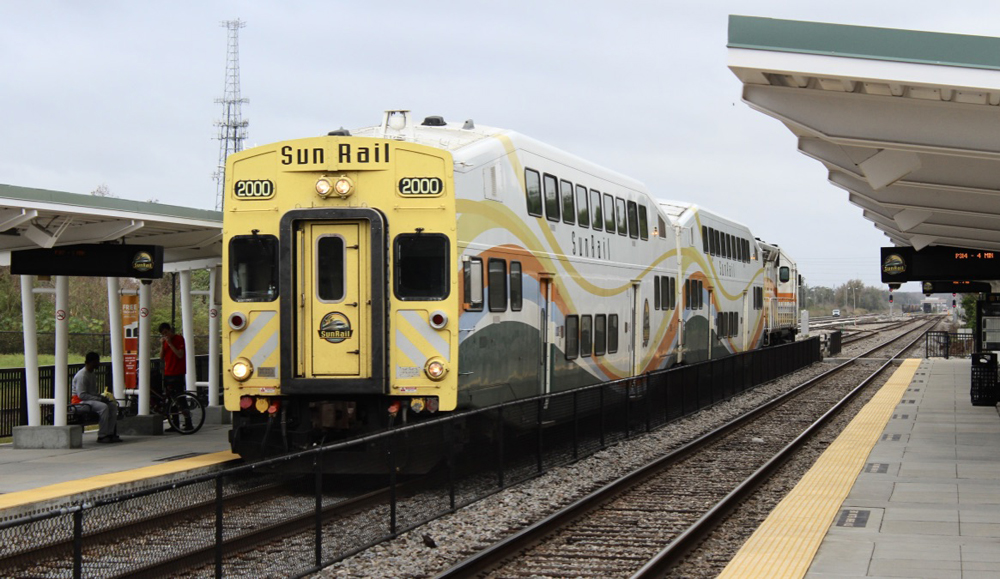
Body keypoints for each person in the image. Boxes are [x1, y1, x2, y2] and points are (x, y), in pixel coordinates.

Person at [72, 352, 121, 443]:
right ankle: (102, 435)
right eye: (97, 361)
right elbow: (82, 395)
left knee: (112, 406)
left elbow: (93, 392)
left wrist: (102, 397)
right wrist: (99, 399)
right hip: (80, 402)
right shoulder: (82, 376)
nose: (99, 363)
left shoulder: (92, 374)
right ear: (90, 362)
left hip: (89, 400)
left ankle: (110, 433)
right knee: (103, 407)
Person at [159, 322, 191, 432]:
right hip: (168, 372)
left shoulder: (179, 339)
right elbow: (161, 356)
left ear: (170, 330)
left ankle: (188, 422)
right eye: (163, 334)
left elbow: (180, 354)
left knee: (180, 398)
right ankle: (174, 423)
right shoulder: (165, 342)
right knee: (170, 399)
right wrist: (162, 345)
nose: (166, 335)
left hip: (178, 372)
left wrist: (170, 344)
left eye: (166, 332)